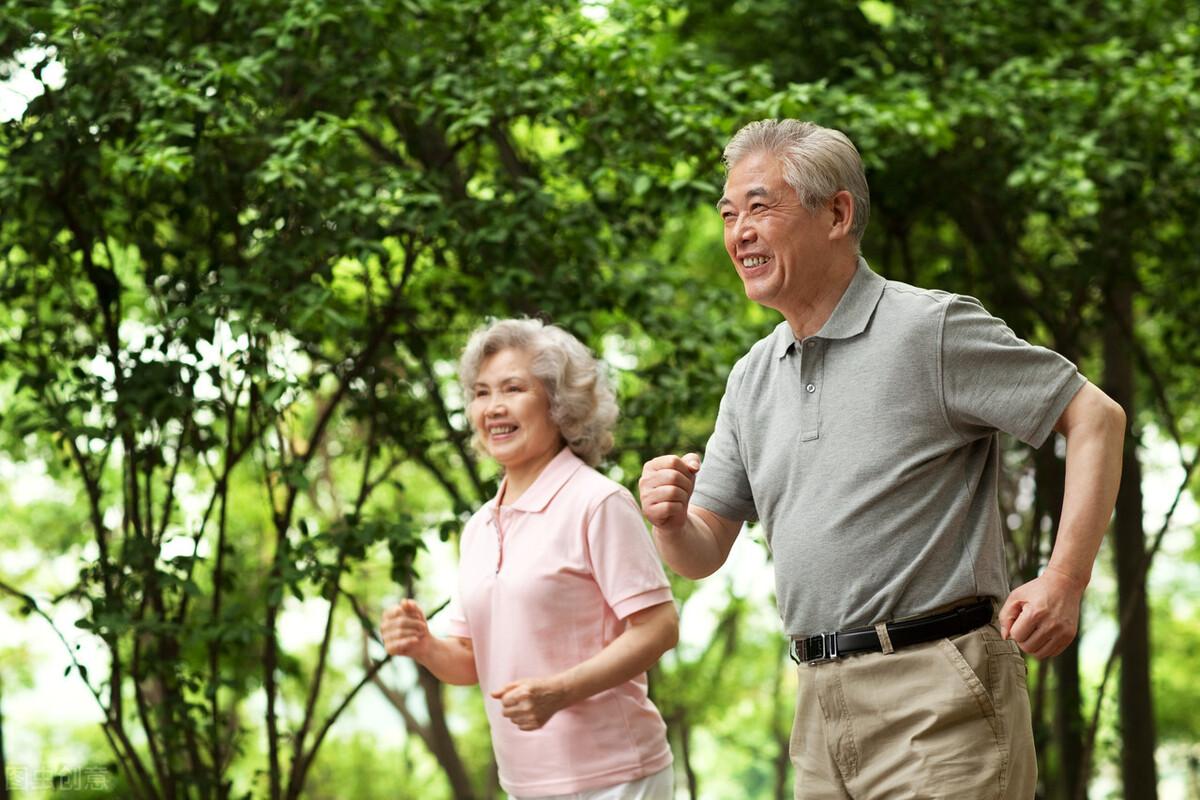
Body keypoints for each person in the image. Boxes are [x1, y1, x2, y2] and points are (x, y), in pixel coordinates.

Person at [638, 119, 1126, 799]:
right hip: (816, 704)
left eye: (759, 206)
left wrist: (1065, 581)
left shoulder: (929, 329)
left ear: (837, 213)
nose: (738, 232)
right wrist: (666, 520)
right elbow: (700, 552)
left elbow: (1096, 416)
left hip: (939, 695)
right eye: (728, 214)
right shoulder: (751, 378)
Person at [381, 318, 678, 800]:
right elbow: (469, 660)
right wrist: (423, 644)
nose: (493, 408)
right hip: (525, 783)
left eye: (513, 389)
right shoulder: (479, 528)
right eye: (481, 393)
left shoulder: (597, 502)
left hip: (618, 777)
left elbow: (659, 627)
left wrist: (560, 691)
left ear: (559, 404)